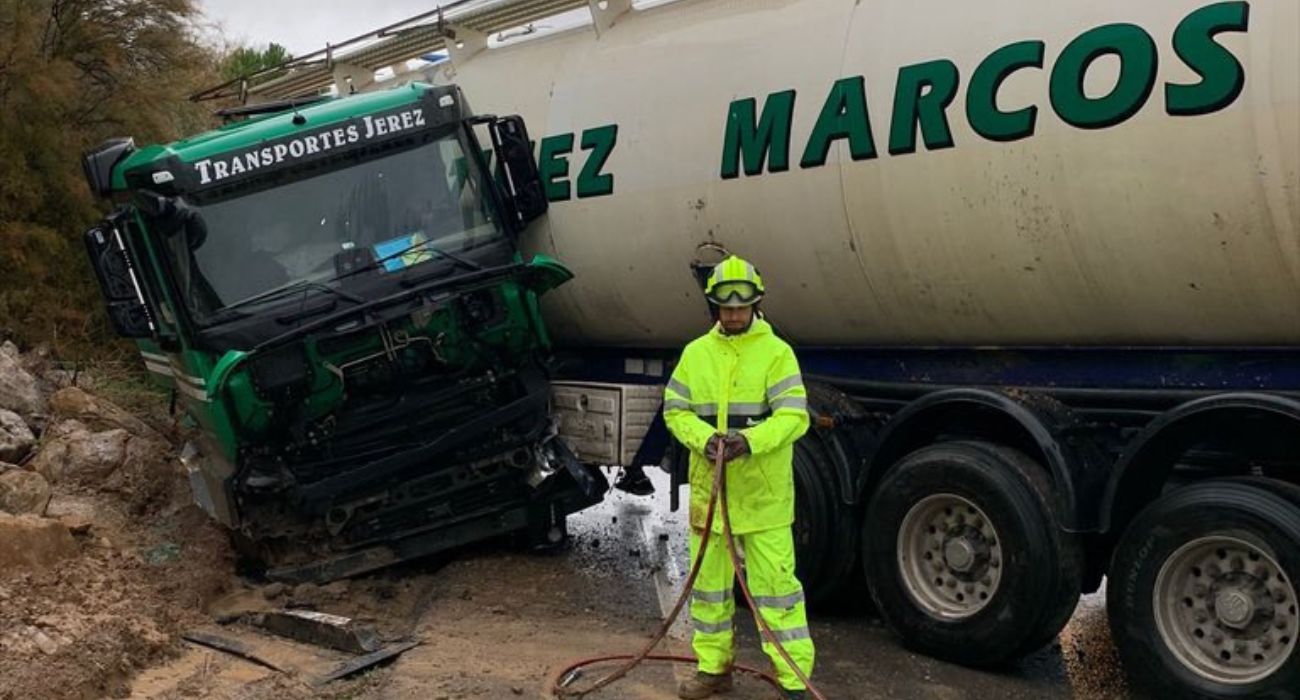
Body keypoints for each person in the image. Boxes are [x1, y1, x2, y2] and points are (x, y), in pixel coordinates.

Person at [663, 255, 814, 700]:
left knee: (777, 593)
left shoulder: (776, 353)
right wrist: (705, 439)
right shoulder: (696, 354)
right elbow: (675, 410)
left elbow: (793, 416)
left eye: (740, 307)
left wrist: (750, 442)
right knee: (709, 591)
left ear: (756, 303)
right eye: (725, 308)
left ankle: (793, 682)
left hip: (763, 498)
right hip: (711, 497)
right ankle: (714, 670)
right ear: (714, 307)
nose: (733, 315)